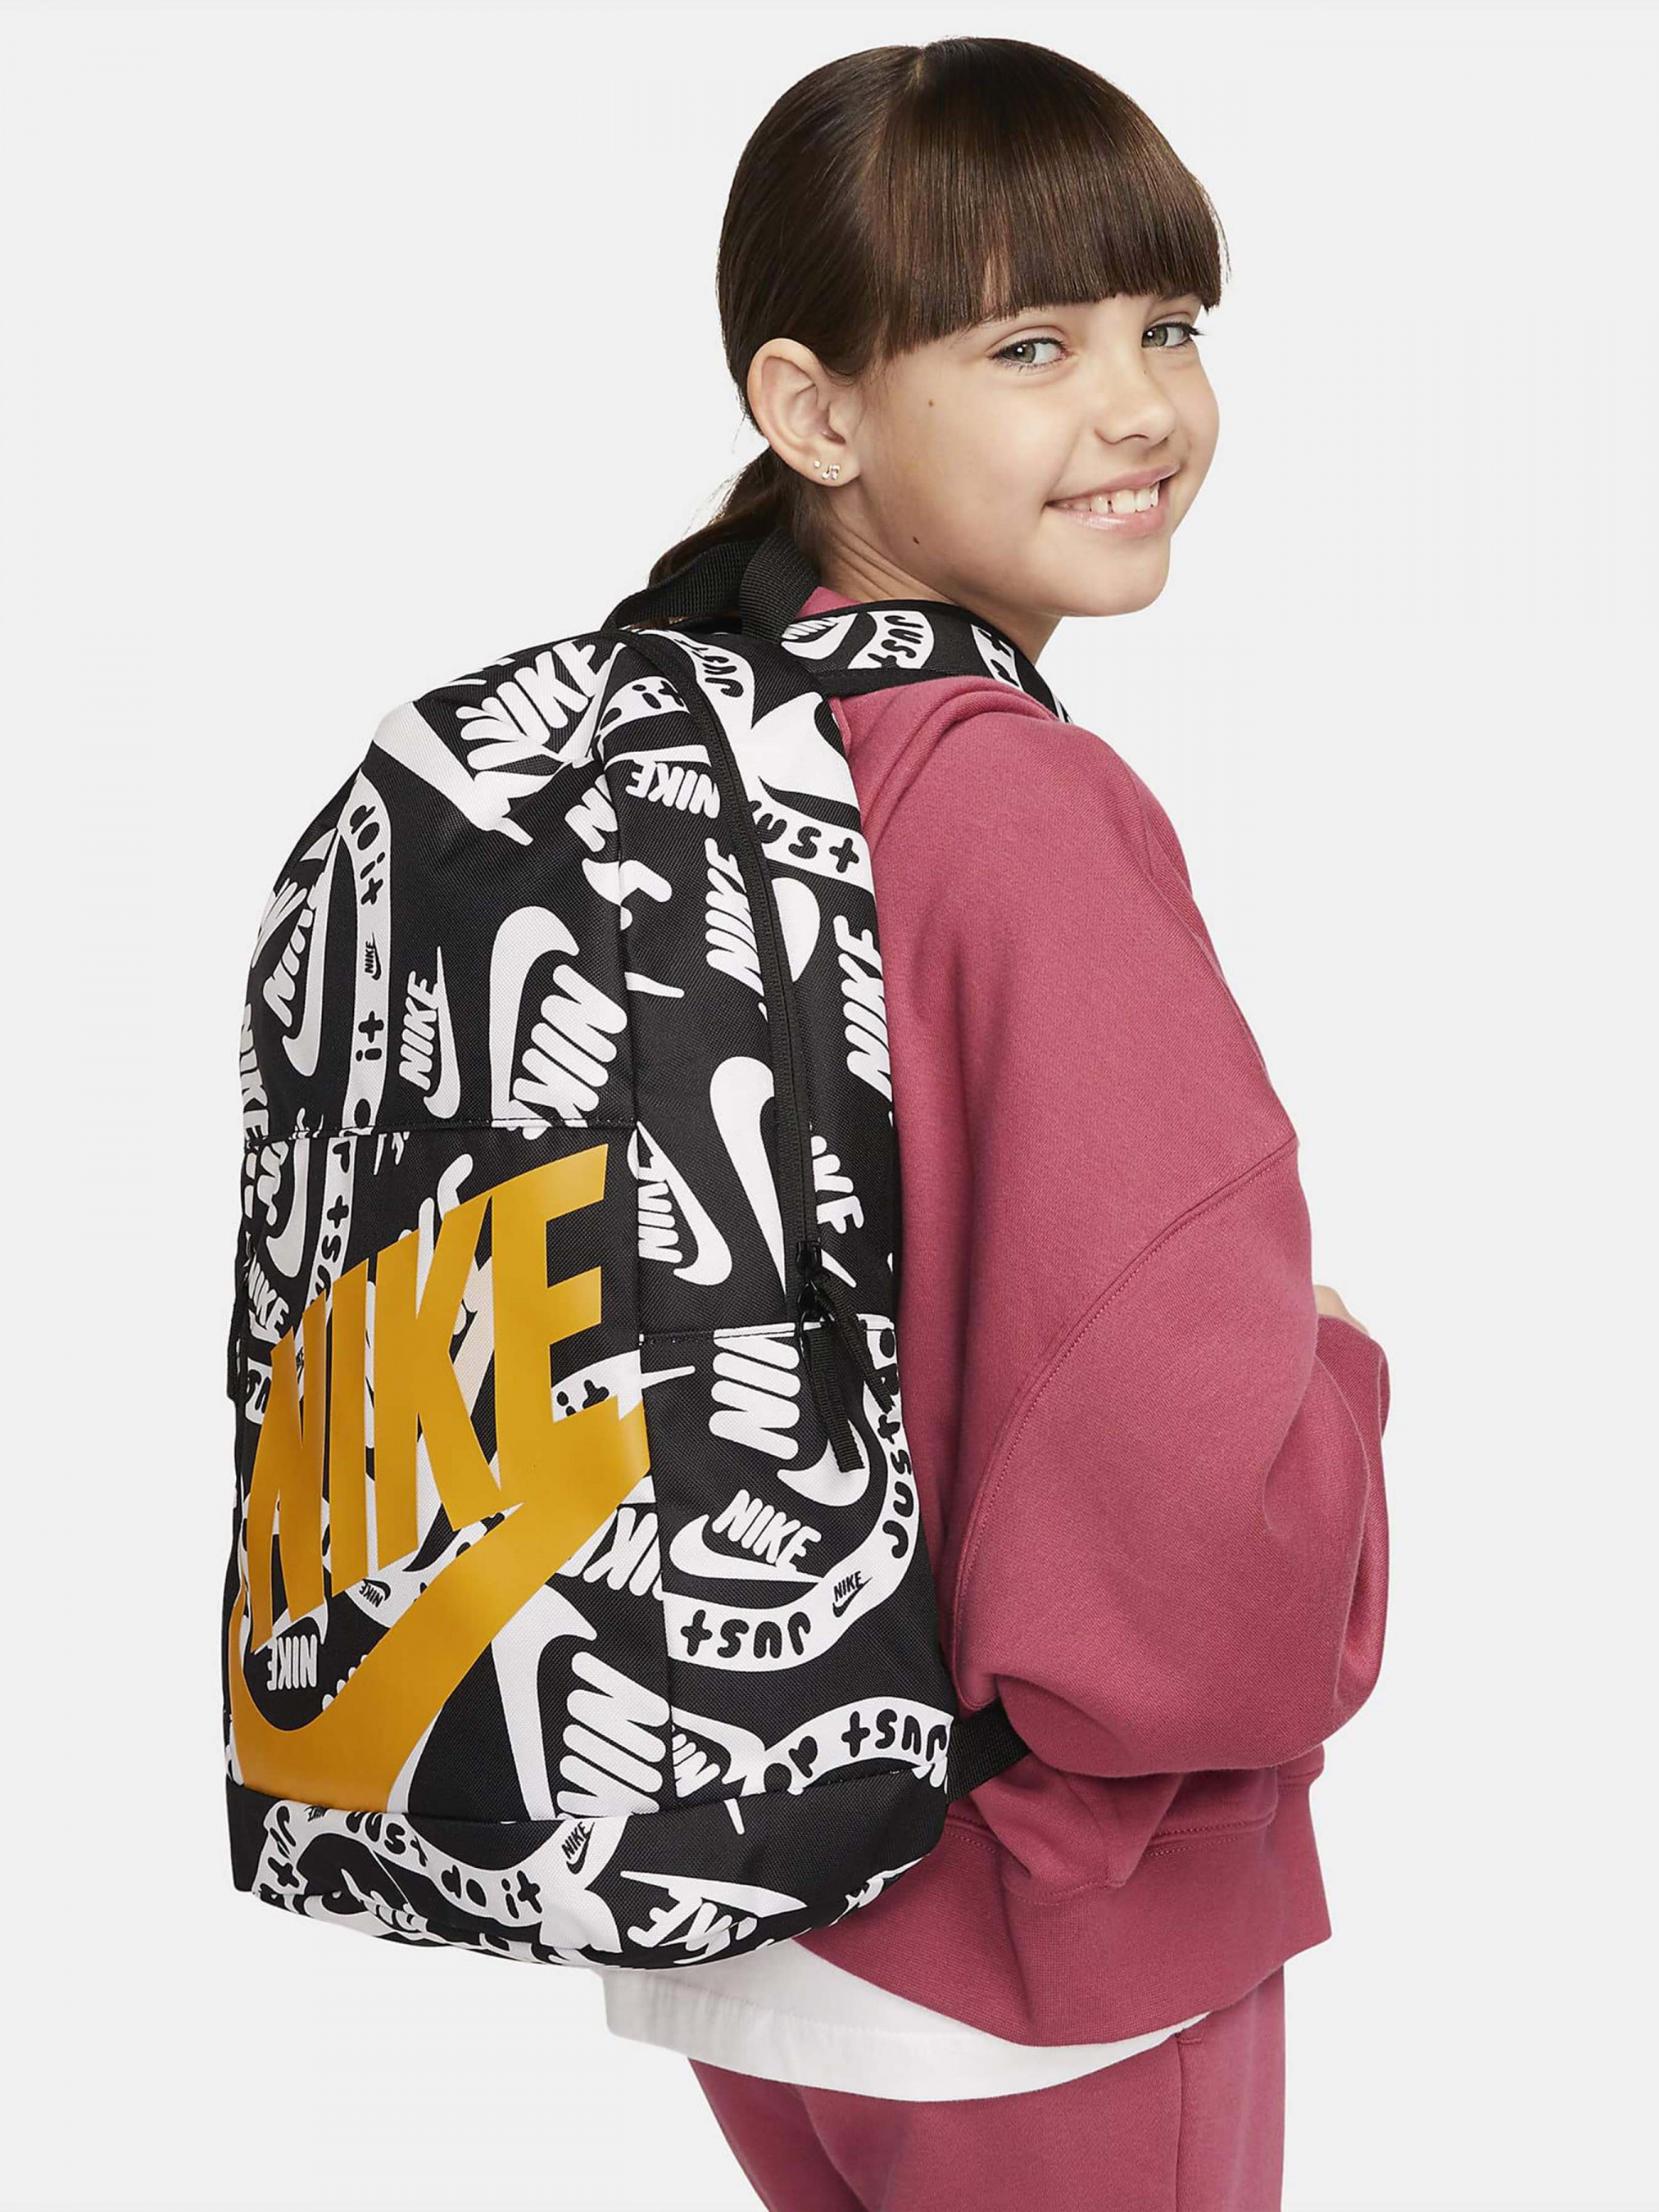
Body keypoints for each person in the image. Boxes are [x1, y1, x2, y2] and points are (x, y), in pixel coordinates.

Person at [594, 35, 1391, 2211]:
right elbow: (1189, 1521)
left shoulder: (686, 741)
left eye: (1168, 327)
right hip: (1038, 1932)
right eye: (1030, 345)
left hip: (742, 1896)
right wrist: (1332, 1374)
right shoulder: (1013, 802)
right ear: (813, 407)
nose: (1138, 409)